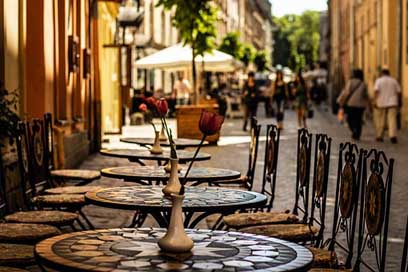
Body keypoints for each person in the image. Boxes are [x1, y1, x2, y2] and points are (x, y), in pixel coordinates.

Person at [337, 69, 368, 140]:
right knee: (358, 120)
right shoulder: (363, 83)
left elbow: (346, 92)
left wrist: (341, 100)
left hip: (351, 104)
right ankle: (357, 134)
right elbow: (365, 95)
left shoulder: (350, 82)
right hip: (360, 106)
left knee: (349, 119)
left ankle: (353, 130)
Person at [373, 69, 401, 143]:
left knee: (380, 119)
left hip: (381, 102)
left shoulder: (378, 80)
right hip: (392, 102)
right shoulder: (393, 80)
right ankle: (393, 136)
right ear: (389, 74)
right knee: (392, 119)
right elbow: (398, 92)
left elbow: (376, 91)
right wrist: (399, 101)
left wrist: (375, 101)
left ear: (382, 74)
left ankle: (379, 136)